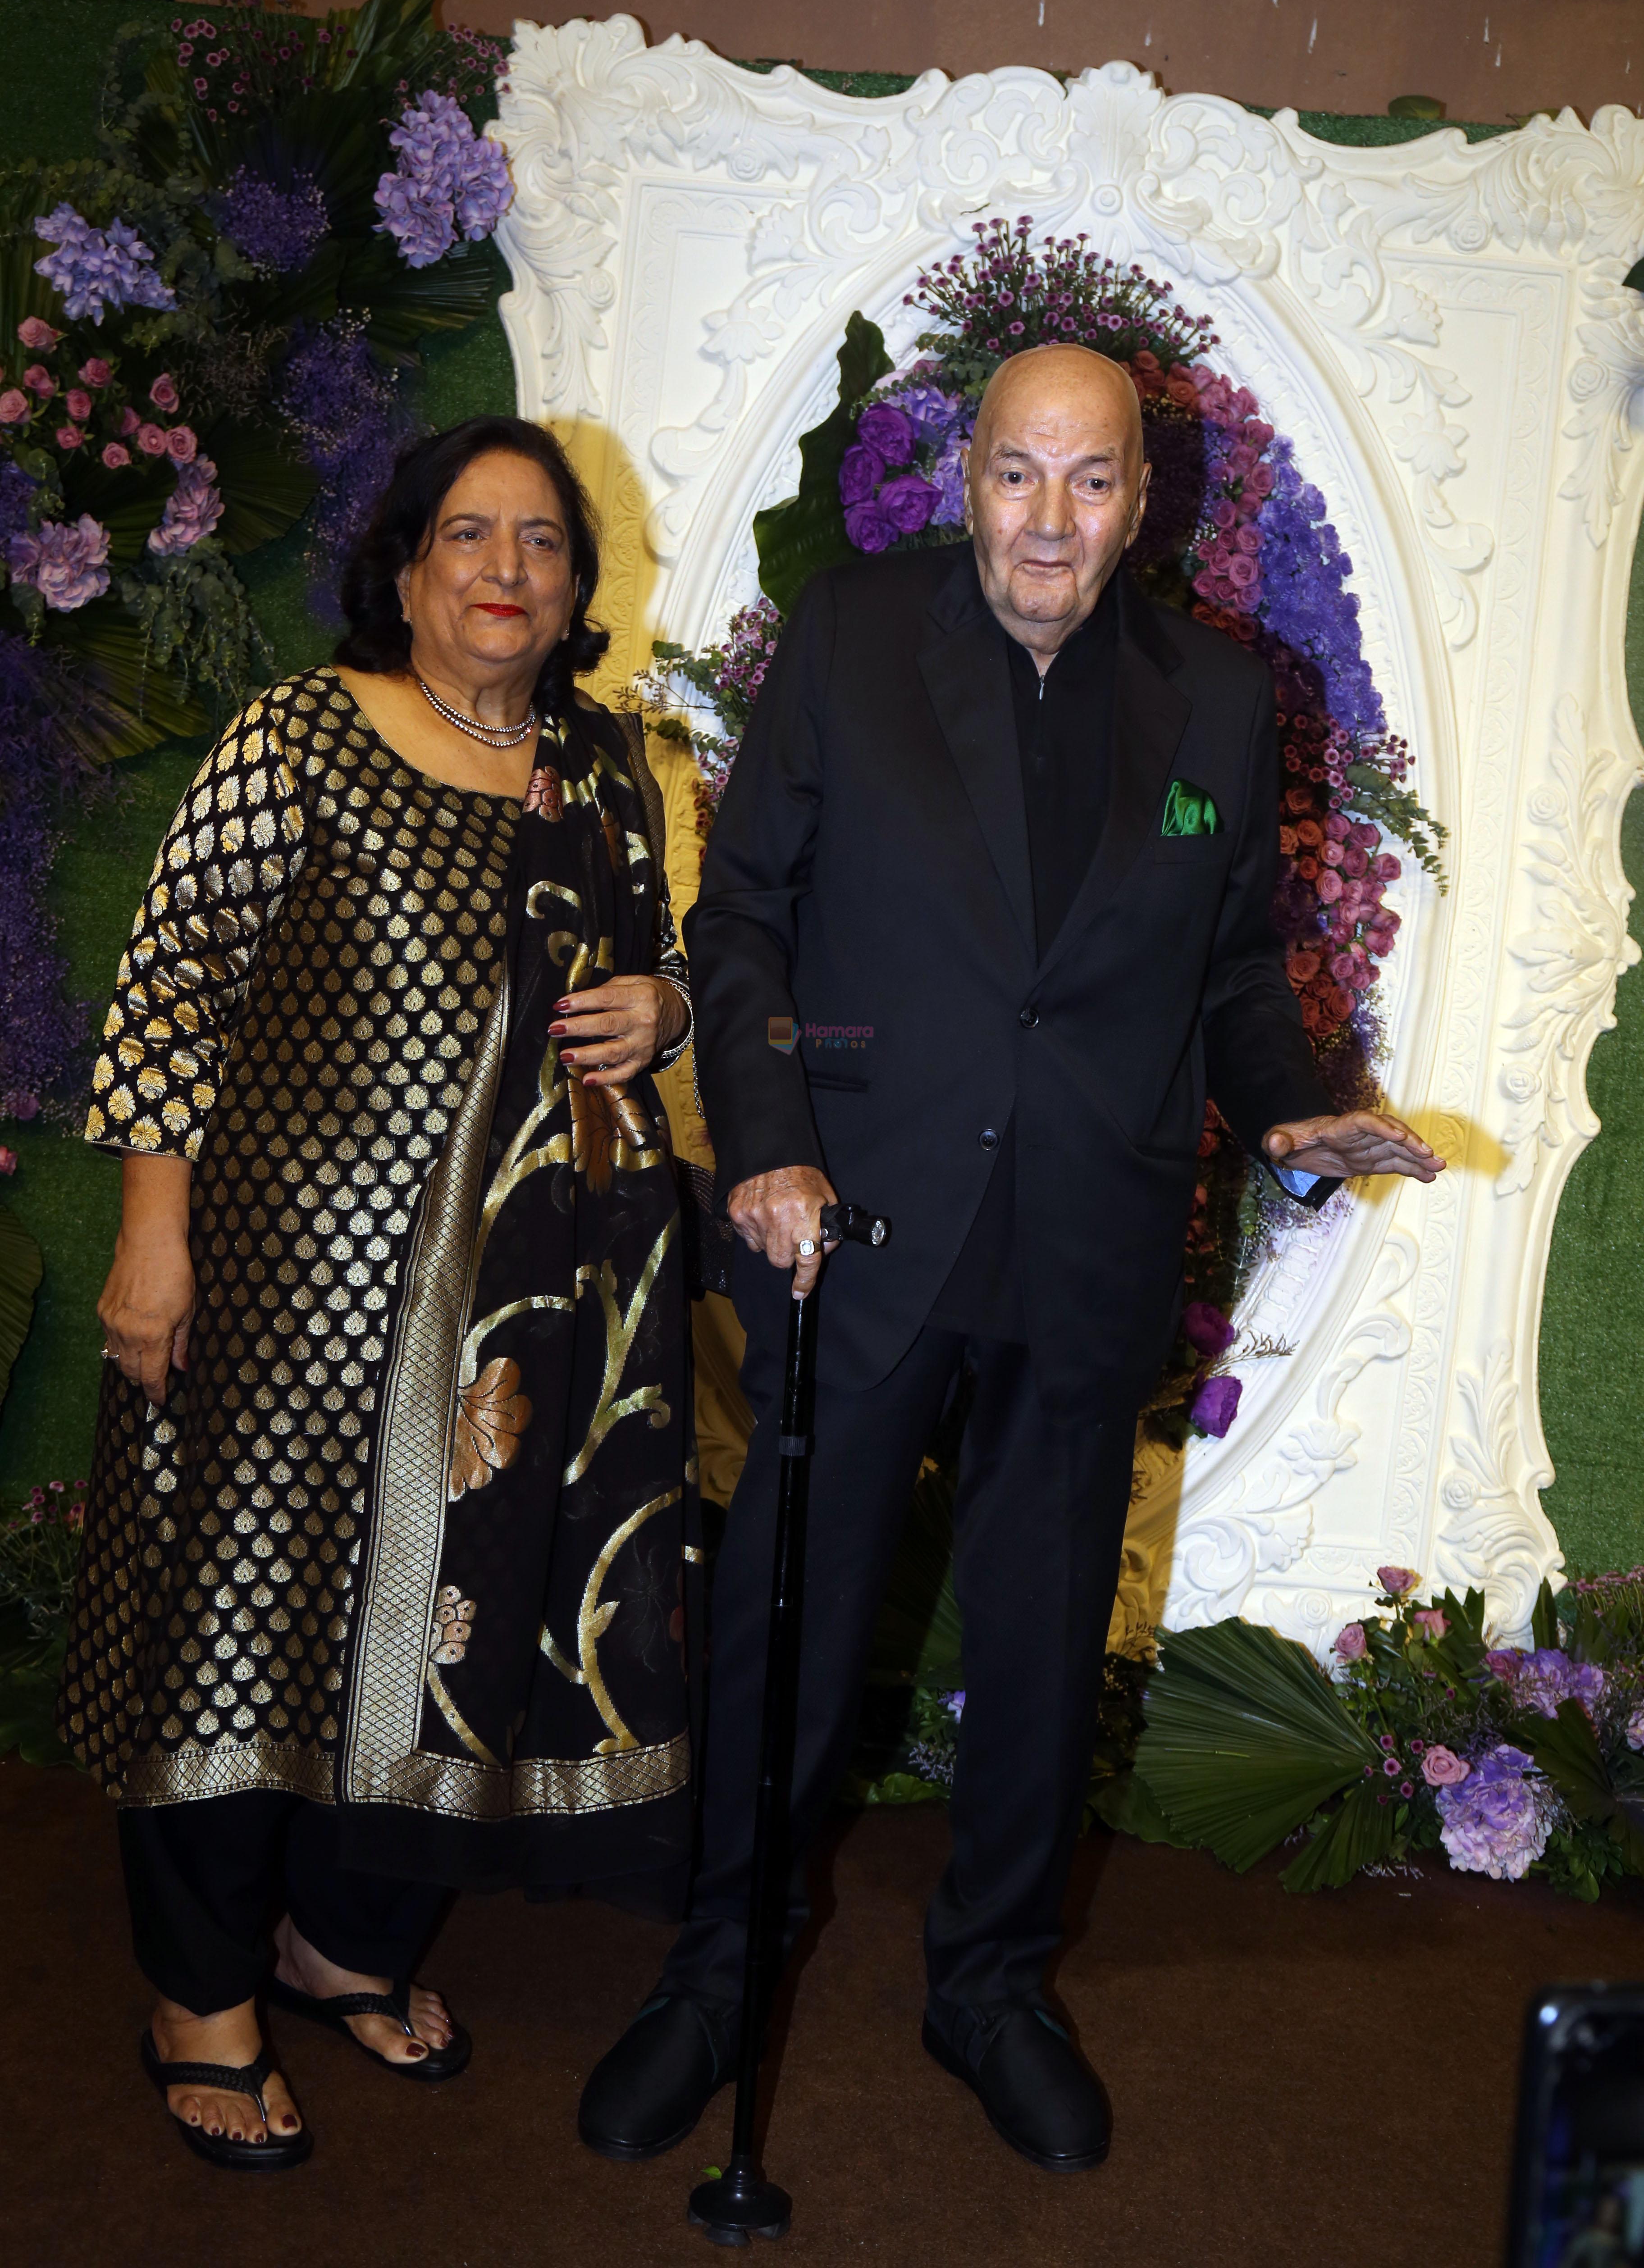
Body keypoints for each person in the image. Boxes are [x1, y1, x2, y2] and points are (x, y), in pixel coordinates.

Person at [579, 345, 1443, 2174]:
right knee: (788, 1633)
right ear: (964, 472)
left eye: (1093, 483)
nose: (1051, 521)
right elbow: (745, 922)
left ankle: (991, 1987)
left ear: (1146, 497)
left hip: (1087, 1243)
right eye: (1018, 475)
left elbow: (1230, 970)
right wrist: (778, 1138)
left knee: (1047, 1647)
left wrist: (1288, 1108)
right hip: (853, 1229)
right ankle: (716, 1973)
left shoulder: (1217, 696)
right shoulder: (848, 636)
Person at [60, 414, 698, 2170]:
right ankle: (198, 1995)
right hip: (280, 1295)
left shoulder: (612, 773)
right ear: (406, 569)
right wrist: (150, 1230)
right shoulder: (308, 733)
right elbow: (171, 983)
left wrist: (670, 1008)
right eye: (468, 537)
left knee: (441, 1643)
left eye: (541, 544)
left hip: (510, 1325)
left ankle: (339, 1944)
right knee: (241, 1622)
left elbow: (646, 986)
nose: (505, 569)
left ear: (576, 588)